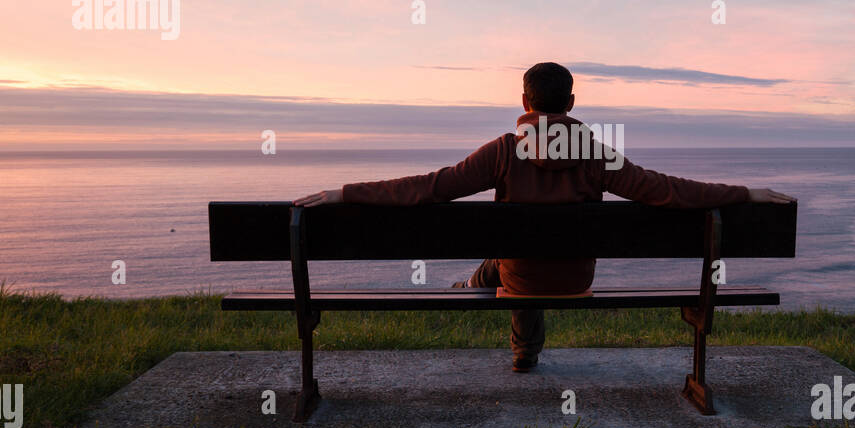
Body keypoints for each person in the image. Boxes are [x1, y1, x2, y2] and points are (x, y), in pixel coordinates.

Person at [295, 62, 794, 371]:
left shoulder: (504, 151)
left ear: (524, 103)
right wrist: (746, 192)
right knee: (519, 250)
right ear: (572, 103)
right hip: (576, 279)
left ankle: (506, 332)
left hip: (523, 277)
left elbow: (430, 189)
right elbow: (667, 191)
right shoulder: (596, 153)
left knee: (510, 256)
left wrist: (344, 193)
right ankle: (483, 293)